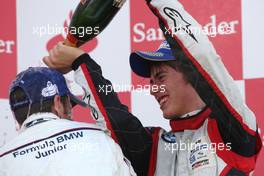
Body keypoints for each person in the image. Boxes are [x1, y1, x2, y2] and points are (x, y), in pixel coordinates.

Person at [43, 0, 262, 175]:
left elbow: (202, 55)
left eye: (161, 77)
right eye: (151, 81)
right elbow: (116, 121)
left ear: (193, 75)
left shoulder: (233, 130)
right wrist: (82, 63)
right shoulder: (158, 147)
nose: (153, 89)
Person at [0, 67, 136, 176]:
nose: (71, 114)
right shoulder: (100, 138)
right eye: (70, 105)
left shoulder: (3, 160)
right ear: (58, 103)